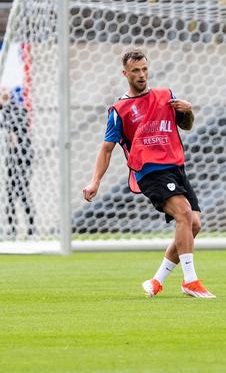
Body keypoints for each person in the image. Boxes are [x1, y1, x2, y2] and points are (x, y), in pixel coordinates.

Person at [82, 49, 214, 298]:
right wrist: (95, 181)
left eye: (144, 69)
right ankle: (190, 281)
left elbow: (186, 125)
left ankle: (156, 281)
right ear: (125, 73)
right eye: (135, 71)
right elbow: (106, 149)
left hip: (175, 167)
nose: (141, 75)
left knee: (193, 224)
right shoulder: (119, 110)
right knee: (184, 214)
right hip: (149, 172)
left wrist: (188, 110)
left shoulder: (165, 96)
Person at [1, 85, 35, 238]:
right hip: (11, 158)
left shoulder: (17, 108)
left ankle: (31, 229)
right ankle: (12, 230)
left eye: (3, 91)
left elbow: (21, 130)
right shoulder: (3, 111)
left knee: (22, 192)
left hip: (22, 157)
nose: (3, 93)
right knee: (9, 194)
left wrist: (14, 136)